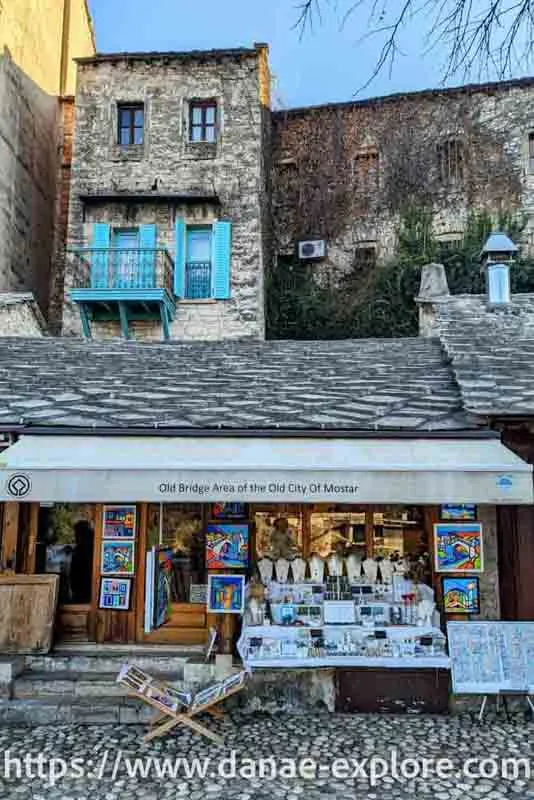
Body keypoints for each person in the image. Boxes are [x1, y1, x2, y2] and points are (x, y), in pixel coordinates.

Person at [69, 521, 94, 604]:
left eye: (76, 533)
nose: (75, 536)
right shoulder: (84, 547)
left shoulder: (82, 548)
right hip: (84, 586)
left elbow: (75, 570)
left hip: (83, 586)